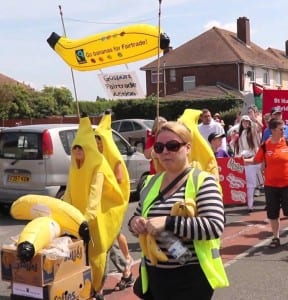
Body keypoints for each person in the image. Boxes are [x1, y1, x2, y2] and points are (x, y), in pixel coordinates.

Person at [128, 121, 228, 300]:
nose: (165, 151)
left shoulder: (203, 181)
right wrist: (134, 223)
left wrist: (168, 222)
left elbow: (214, 226)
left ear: (188, 147)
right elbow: (137, 215)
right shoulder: (151, 182)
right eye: (159, 147)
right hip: (155, 277)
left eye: (173, 146)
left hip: (190, 278)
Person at [63, 117, 127, 300]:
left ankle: (98, 290)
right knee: (100, 250)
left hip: (100, 216)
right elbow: (69, 190)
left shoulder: (99, 166)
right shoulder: (74, 167)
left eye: (80, 148)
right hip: (80, 220)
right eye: (74, 147)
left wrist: (86, 217)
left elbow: (94, 195)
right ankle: (125, 269)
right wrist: (64, 211)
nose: (76, 151)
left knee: (99, 251)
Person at [95, 134, 134, 292]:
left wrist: (100, 179)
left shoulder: (114, 158)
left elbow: (118, 178)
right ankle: (126, 268)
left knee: (110, 238)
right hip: (97, 206)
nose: (97, 145)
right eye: (95, 142)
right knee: (112, 238)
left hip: (111, 206)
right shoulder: (94, 157)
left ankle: (125, 270)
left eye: (99, 142)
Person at [244, 118, 288, 248]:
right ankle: (276, 237)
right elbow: (255, 160)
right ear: (273, 130)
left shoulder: (286, 142)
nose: (283, 131)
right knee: (273, 214)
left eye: (284, 129)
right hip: (270, 185)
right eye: (281, 129)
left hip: (287, 185)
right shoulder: (265, 145)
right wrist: (242, 160)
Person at [229, 115, 262, 212]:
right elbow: (237, 149)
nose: (246, 123)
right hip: (247, 161)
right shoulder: (241, 133)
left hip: (255, 160)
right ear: (241, 123)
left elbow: (257, 146)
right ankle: (250, 206)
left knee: (261, 183)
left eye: (247, 121)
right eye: (244, 122)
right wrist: (233, 141)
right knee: (250, 185)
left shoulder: (253, 131)